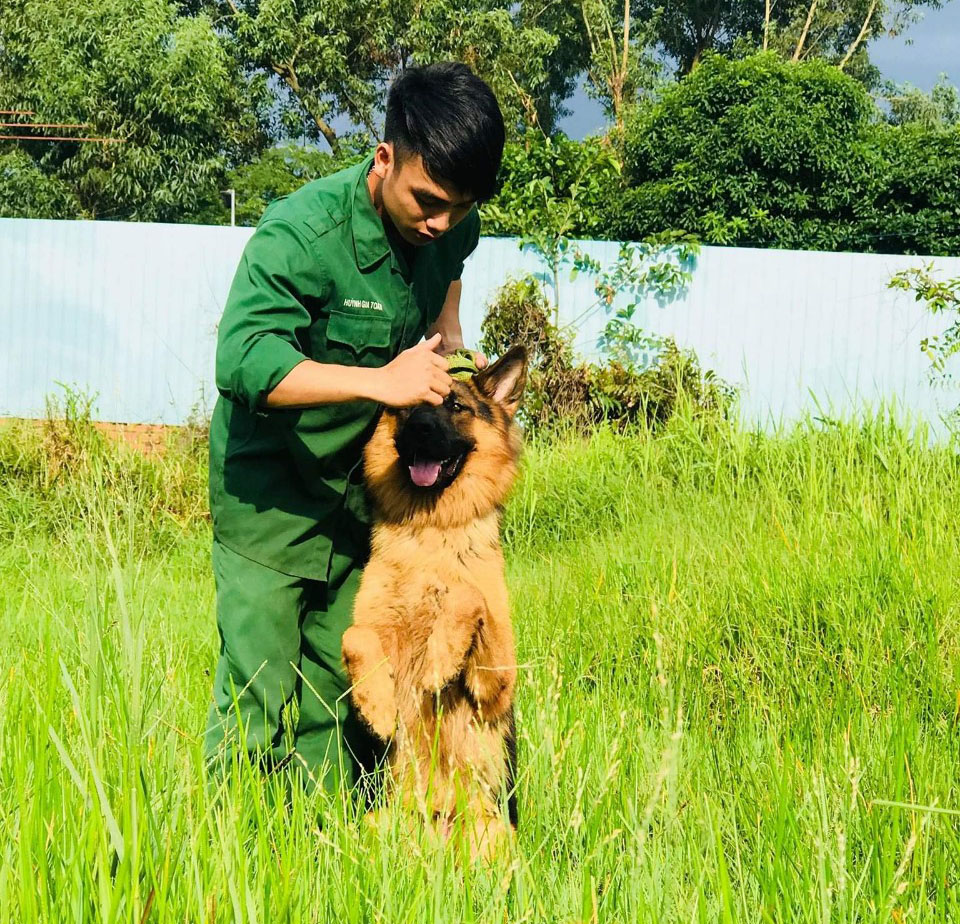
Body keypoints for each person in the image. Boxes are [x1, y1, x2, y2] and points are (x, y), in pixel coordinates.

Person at [203, 62, 505, 795]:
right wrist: (382, 382)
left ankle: (317, 859)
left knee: (342, 701)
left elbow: (455, 256)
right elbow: (243, 359)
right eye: (428, 201)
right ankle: (224, 860)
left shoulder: (448, 226)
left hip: (366, 499)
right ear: (384, 158)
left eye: (458, 209)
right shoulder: (300, 235)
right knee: (259, 691)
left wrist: (450, 327)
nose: (439, 222)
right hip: (272, 496)